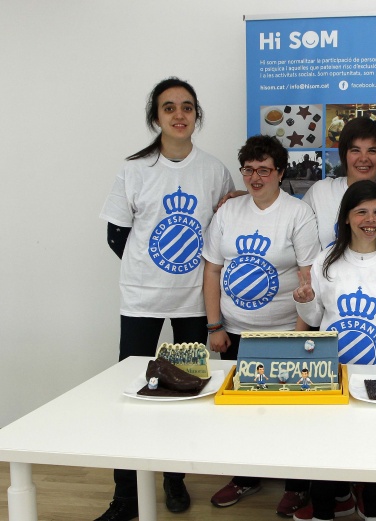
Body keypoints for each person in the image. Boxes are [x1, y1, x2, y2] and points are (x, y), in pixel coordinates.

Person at [98, 77, 235, 521]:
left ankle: (174, 479)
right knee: (131, 393)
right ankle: (125, 496)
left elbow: (221, 234)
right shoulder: (134, 169)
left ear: (197, 115)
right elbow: (117, 235)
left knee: (185, 391)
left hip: (195, 303)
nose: (179, 114)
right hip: (141, 301)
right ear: (155, 116)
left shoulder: (213, 170)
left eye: (187, 107)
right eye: (169, 107)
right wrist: (151, 270)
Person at [293, 180, 376, 521]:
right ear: (346, 217)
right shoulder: (326, 260)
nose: (370, 220)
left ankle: (374, 511)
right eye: (361, 212)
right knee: (327, 452)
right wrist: (306, 301)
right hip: (333, 376)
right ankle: (325, 510)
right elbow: (315, 319)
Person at [203, 134, 320, 513]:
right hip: (236, 331)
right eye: (249, 170)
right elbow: (212, 270)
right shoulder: (228, 212)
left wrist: (299, 340)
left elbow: (307, 279)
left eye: (264, 170)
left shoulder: (298, 214)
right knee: (241, 410)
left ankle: (297, 485)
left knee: (290, 412)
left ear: (280, 172)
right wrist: (214, 326)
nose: (255, 178)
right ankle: (245, 477)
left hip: (285, 332)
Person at [303, 117, 376, 249]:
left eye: (372, 151)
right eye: (355, 150)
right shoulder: (319, 192)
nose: (363, 158)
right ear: (344, 154)